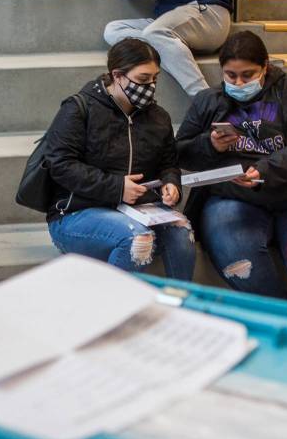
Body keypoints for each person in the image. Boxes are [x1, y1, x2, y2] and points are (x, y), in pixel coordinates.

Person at [175, 31, 287, 303]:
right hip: (230, 198)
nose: (239, 82)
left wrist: (266, 169)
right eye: (231, 75)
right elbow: (180, 152)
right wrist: (209, 145)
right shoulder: (208, 100)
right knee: (238, 260)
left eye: (248, 74)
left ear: (265, 67)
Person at [44, 38, 197, 279]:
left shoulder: (158, 117)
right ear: (117, 75)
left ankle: (178, 305)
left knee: (181, 229)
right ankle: (117, 311)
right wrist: (116, 187)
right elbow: (60, 165)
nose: (151, 86)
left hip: (137, 211)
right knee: (138, 238)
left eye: (155, 79)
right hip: (75, 214)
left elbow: (169, 163)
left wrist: (171, 183)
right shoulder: (79, 109)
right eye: (143, 79)